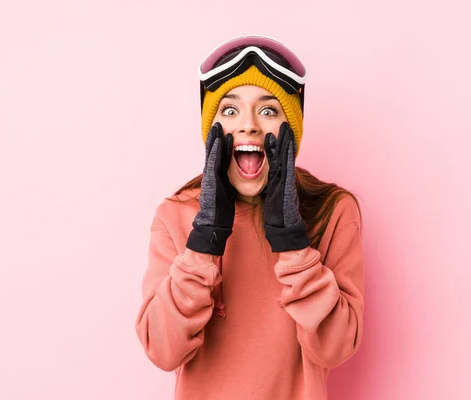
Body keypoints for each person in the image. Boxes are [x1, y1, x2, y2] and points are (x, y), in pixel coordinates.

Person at [135, 35, 365, 400]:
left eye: (269, 110)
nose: (249, 125)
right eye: (230, 111)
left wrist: (293, 243)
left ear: (292, 129)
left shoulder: (332, 211)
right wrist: (204, 238)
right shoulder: (176, 216)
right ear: (211, 131)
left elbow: (335, 349)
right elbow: (164, 352)